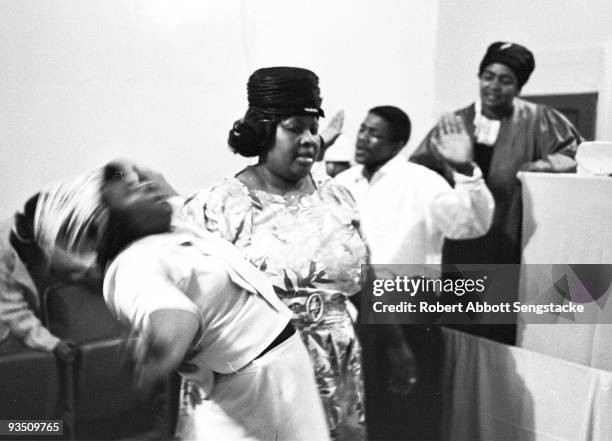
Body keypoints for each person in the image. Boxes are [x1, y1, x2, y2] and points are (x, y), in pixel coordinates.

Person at [183, 67, 416, 440]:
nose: (310, 140)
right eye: (295, 128)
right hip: (257, 378)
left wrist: (396, 344)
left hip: (335, 370)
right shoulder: (219, 207)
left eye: (313, 128)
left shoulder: (337, 196)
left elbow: (364, 276)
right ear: (262, 132)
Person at [33, 164, 329, 441]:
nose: (147, 188)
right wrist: (157, 353)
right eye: (132, 192)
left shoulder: (170, 229)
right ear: (103, 225)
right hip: (255, 388)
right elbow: (174, 321)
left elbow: (160, 184)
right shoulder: (131, 266)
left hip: (276, 371)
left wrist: (127, 178)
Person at [334, 105, 494, 440]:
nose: (363, 138)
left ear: (397, 144)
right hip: (356, 314)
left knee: (411, 416)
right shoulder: (343, 183)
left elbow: (470, 225)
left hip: (409, 315)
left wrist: (465, 170)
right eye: (362, 128)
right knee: (362, 416)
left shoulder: (420, 181)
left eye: (374, 133)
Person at [411, 41, 582, 266]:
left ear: (519, 88)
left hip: (513, 234)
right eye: (488, 76)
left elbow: (575, 157)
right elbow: (418, 173)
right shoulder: (455, 124)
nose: (493, 86)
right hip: (461, 235)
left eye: (505, 80)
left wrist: (539, 167)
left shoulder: (540, 120)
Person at [0, 194, 77, 362]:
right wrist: (53, 344)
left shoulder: (38, 235)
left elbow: (70, 266)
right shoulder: (3, 251)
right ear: (22, 223)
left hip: (18, 321)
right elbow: (12, 312)